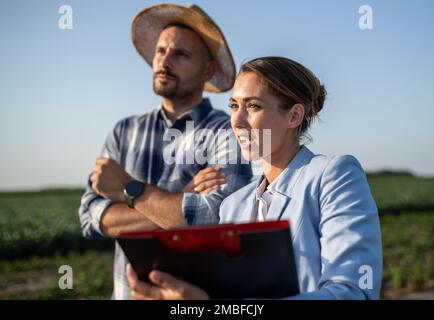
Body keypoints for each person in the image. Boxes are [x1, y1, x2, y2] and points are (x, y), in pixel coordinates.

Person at [126, 56, 383, 300]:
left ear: (294, 116)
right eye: (234, 106)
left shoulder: (334, 175)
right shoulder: (233, 205)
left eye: (253, 106)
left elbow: (354, 292)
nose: (236, 121)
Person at [78, 4, 252, 300]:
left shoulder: (228, 132)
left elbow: (216, 220)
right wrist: (179, 202)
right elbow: (91, 218)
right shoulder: (124, 131)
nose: (164, 61)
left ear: (208, 70)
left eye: (181, 55)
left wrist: (125, 188)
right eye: (160, 51)